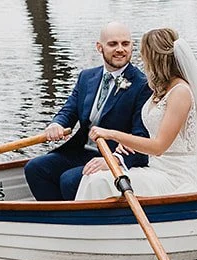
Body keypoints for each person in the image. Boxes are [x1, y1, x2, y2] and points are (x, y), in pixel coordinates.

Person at [78, 27, 197, 200]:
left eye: (143, 53)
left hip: (175, 175)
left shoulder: (180, 92)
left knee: (100, 182)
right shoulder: (160, 89)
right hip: (155, 167)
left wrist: (113, 135)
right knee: (94, 177)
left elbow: (159, 146)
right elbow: (152, 134)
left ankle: (96, 225)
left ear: (154, 57)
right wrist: (129, 145)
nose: (141, 58)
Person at [25, 22, 152, 201]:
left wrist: (113, 160)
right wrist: (57, 123)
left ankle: (75, 222)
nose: (120, 49)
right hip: (82, 151)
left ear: (132, 46)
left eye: (125, 44)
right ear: (99, 47)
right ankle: (58, 221)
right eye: (113, 44)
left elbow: (141, 137)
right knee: (35, 168)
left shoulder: (142, 85)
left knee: (69, 180)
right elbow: (69, 110)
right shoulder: (87, 77)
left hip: (113, 155)